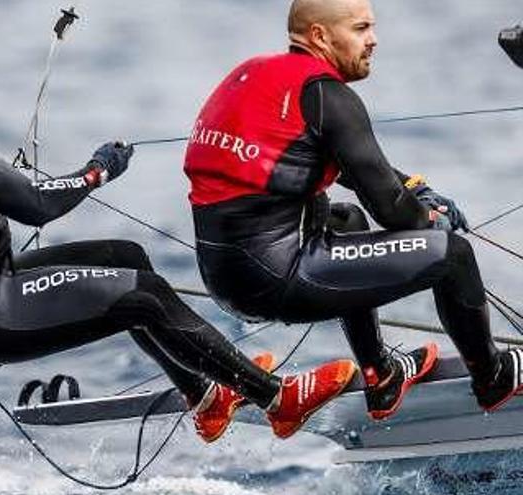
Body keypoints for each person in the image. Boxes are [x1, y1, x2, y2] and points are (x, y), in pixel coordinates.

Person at [0, 10, 357, 444]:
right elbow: (35, 205)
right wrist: (97, 170)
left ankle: (206, 395)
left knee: (124, 257)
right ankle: (277, 399)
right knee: (142, 295)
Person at [184, 0, 523, 421]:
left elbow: (331, 161)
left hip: (226, 276)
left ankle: (381, 377)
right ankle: (493, 378)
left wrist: (418, 188)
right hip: (279, 277)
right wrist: (430, 219)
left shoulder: (259, 74)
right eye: (361, 29)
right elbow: (394, 212)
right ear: (320, 36)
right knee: (450, 255)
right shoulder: (330, 96)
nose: (373, 40)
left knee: (347, 221)